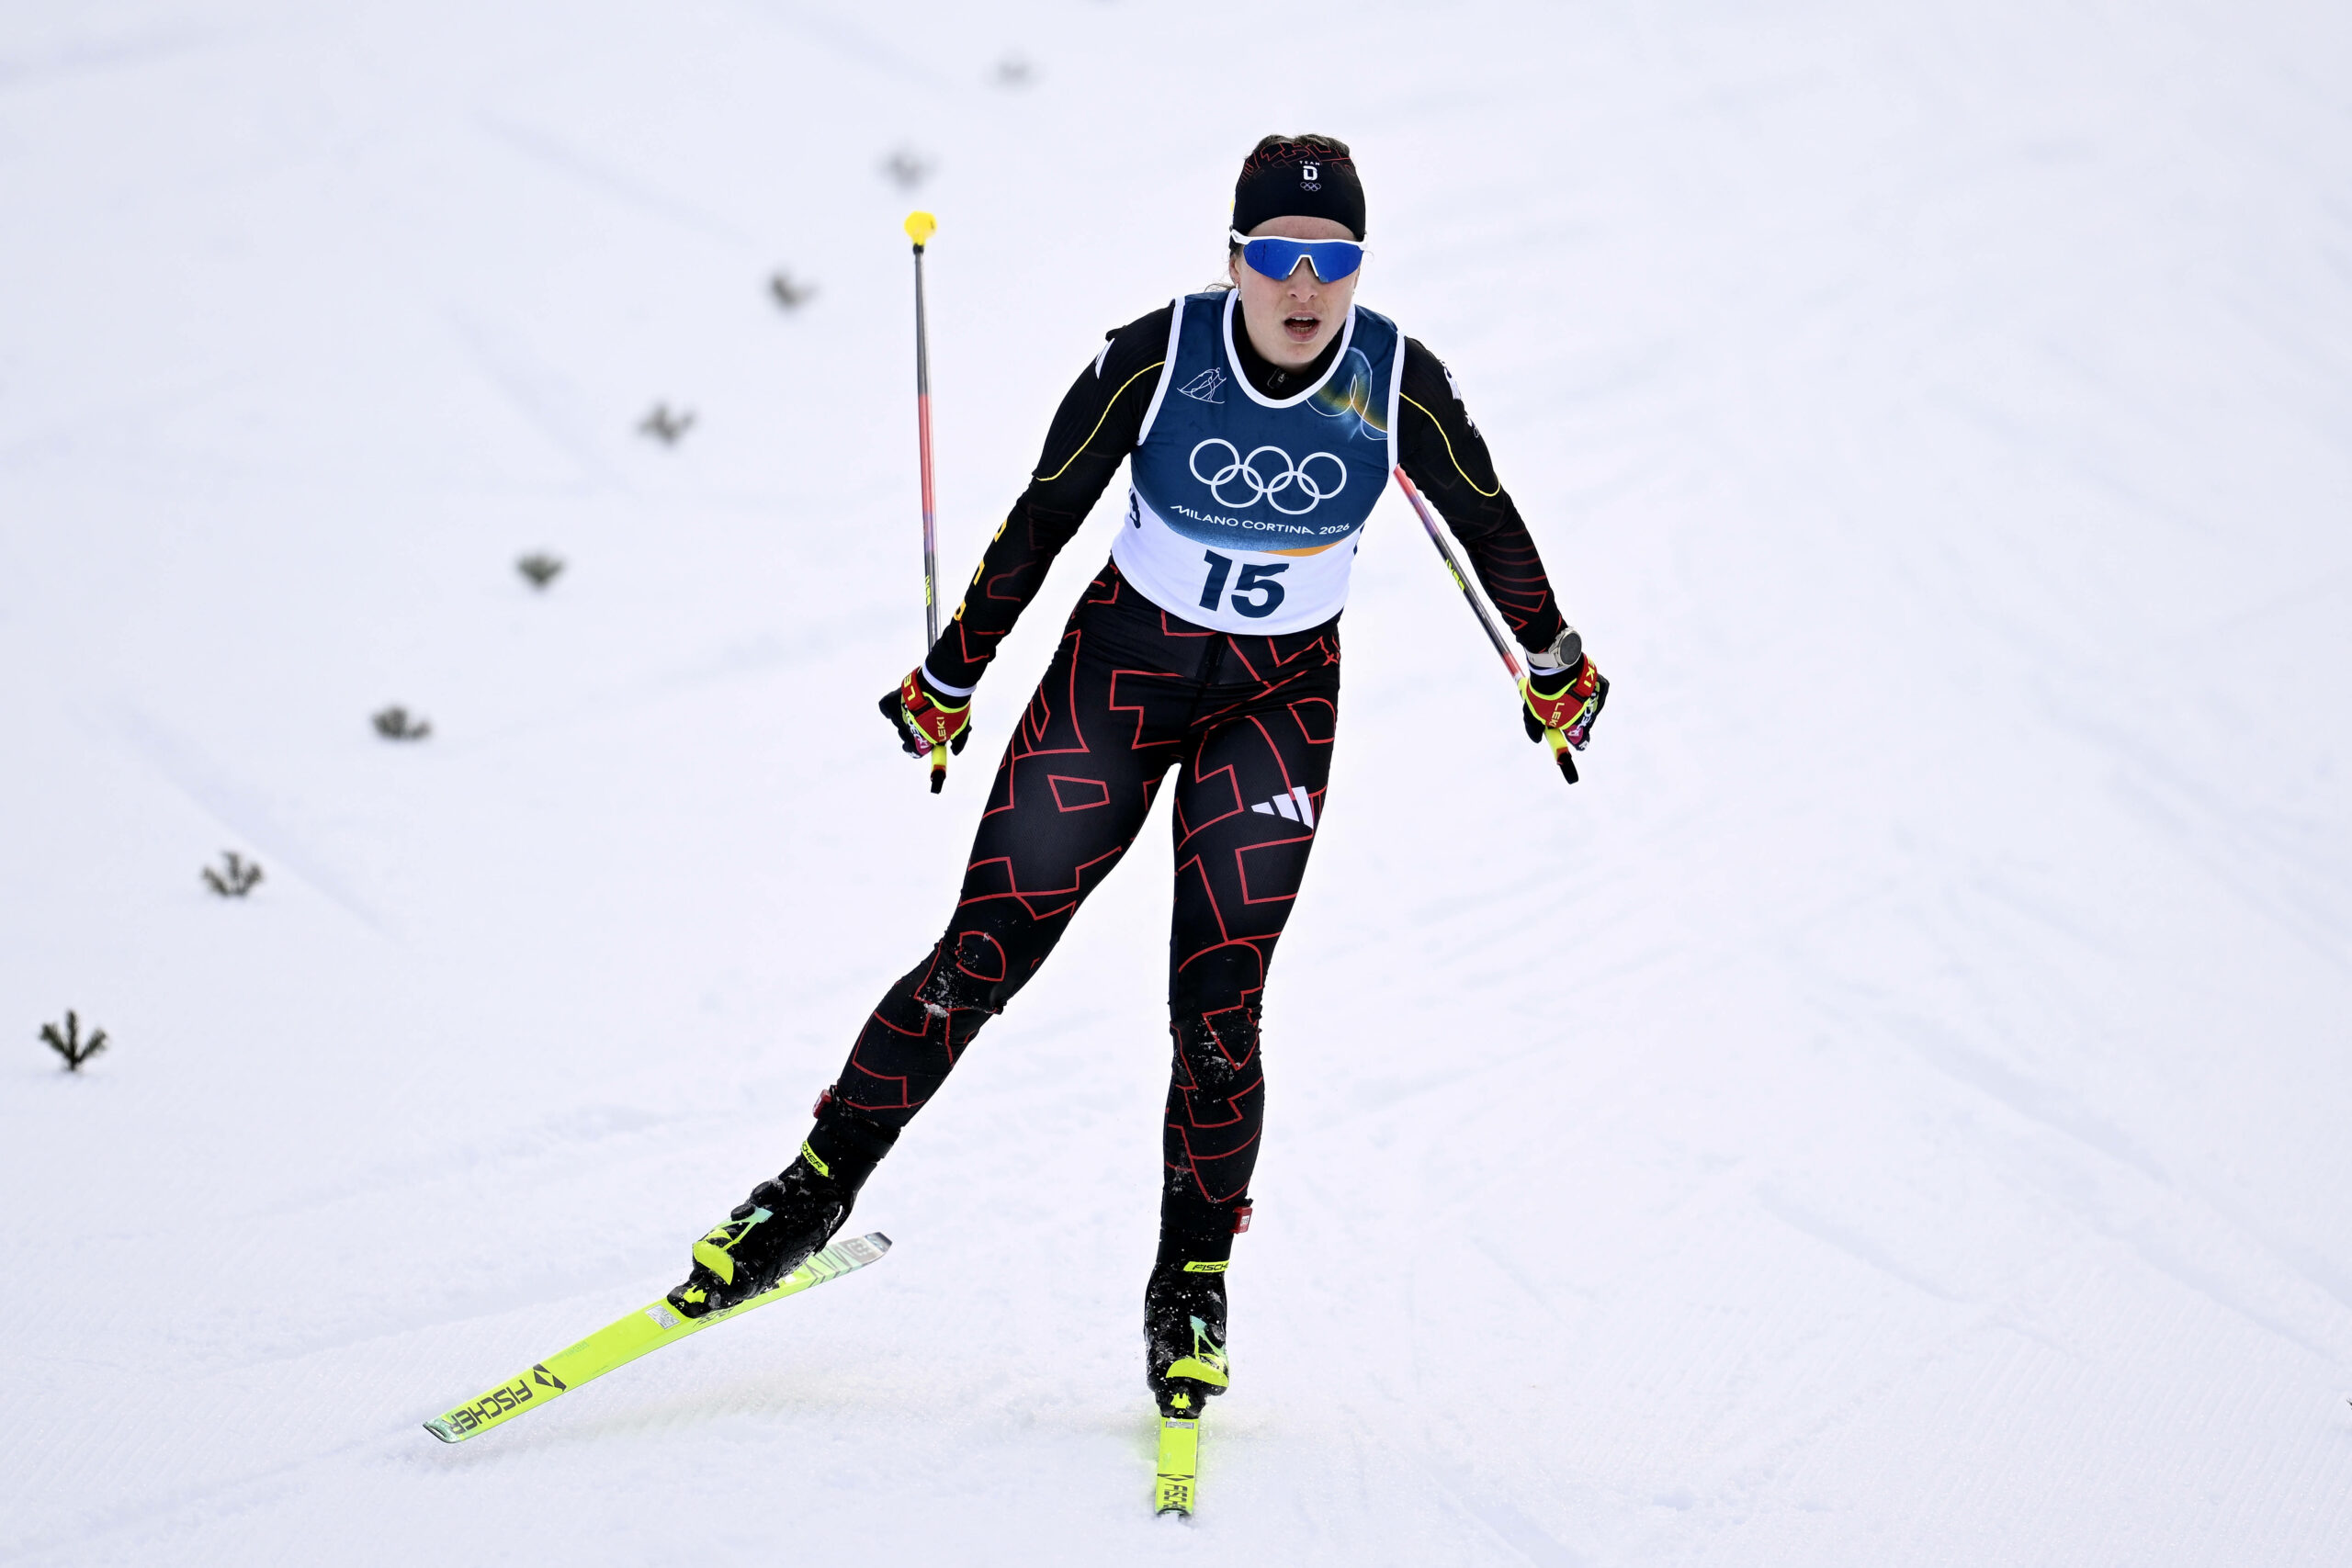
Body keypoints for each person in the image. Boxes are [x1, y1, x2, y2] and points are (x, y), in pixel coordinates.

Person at [665, 134, 1607, 1421]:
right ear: (1233, 258)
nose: (1303, 284)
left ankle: (1192, 1286)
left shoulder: (1397, 379)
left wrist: (1549, 657)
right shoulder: (1157, 358)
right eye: (1277, 253)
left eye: (1331, 260)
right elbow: (1043, 512)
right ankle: (809, 1191)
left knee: (1221, 1019)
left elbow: (1486, 518)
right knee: (979, 956)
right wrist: (953, 675)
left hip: (1276, 708)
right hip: (1116, 683)